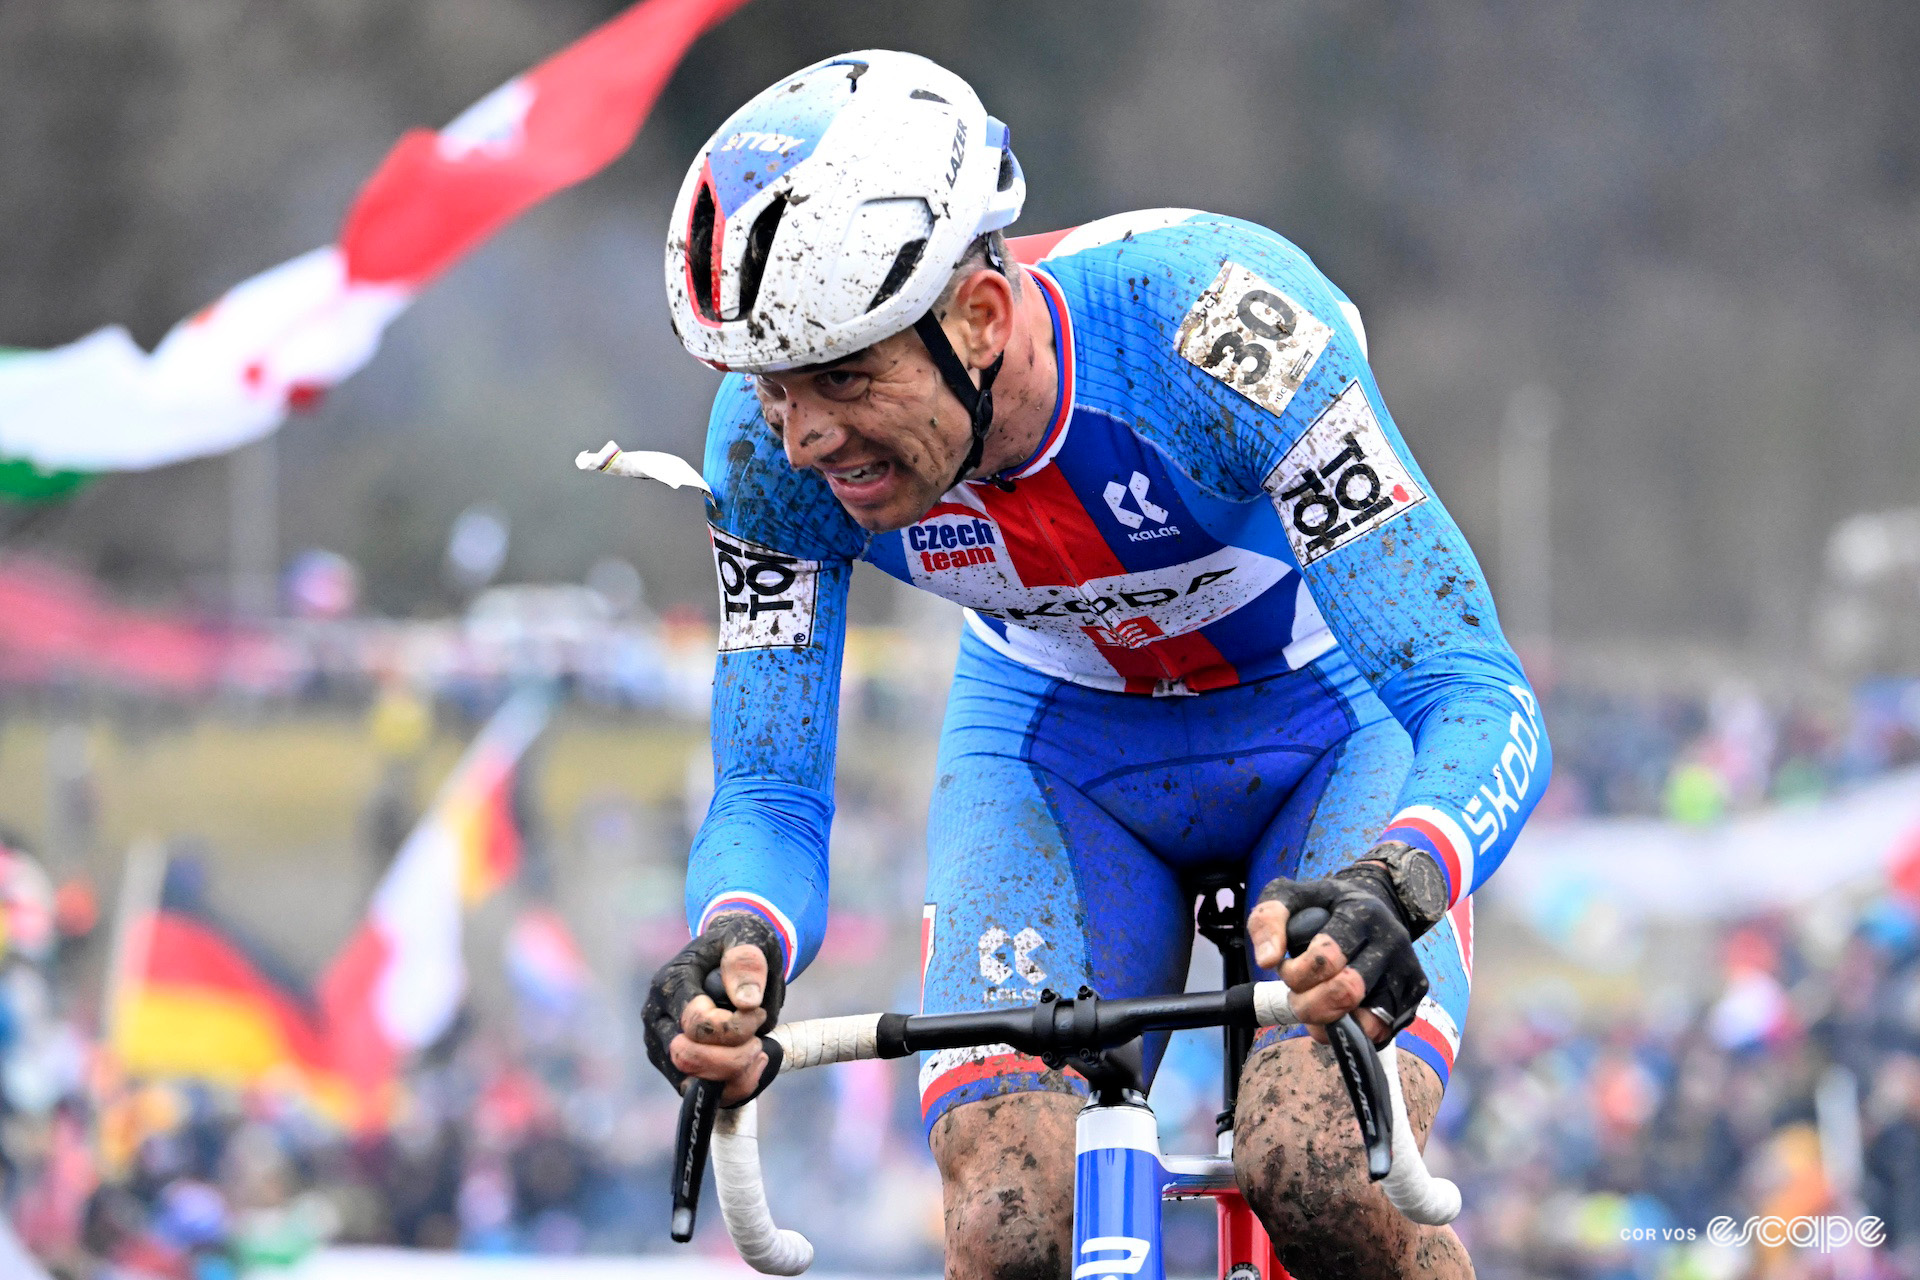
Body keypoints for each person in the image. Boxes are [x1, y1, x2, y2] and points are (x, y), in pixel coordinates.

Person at [641, 50, 1550, 1279]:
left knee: (1322, 1166)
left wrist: (1403, 875)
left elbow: (1473, 689)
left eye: (847, 376)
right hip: (1061, 754)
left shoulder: (1217, 328)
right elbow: (769, 791)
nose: (805, 435)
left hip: (1331, 732)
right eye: (770, 386)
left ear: (979, 316)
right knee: (1008, 1218)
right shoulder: (763, 460)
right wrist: (733, 939)